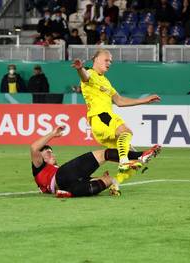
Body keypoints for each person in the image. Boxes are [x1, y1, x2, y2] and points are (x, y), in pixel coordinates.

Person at [72, 49, 161, 192]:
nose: (109, 63)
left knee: (134, 157)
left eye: (111, 61)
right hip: (101, 117)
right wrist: (80, 68)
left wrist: (145, 100)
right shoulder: (90, 74)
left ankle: (116, 183)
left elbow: (119, 100)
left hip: (103, 122)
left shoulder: (106, 81)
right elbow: (84, 77)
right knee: (127, 132)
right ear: (96, 60)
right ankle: (125, 161)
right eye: (106, 60)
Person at [30, 125, 160, 197]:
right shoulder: (39, 167)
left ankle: (71, 193)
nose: (50, 153)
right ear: (40, 157)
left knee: (109, 180)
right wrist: (52, 134)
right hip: (63, 177)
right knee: (103, 154)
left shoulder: (52, 172)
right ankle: (140, 155)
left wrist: (100, 177)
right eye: (47, 152)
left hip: (70, 184)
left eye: (51, 152)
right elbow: (34, 147)